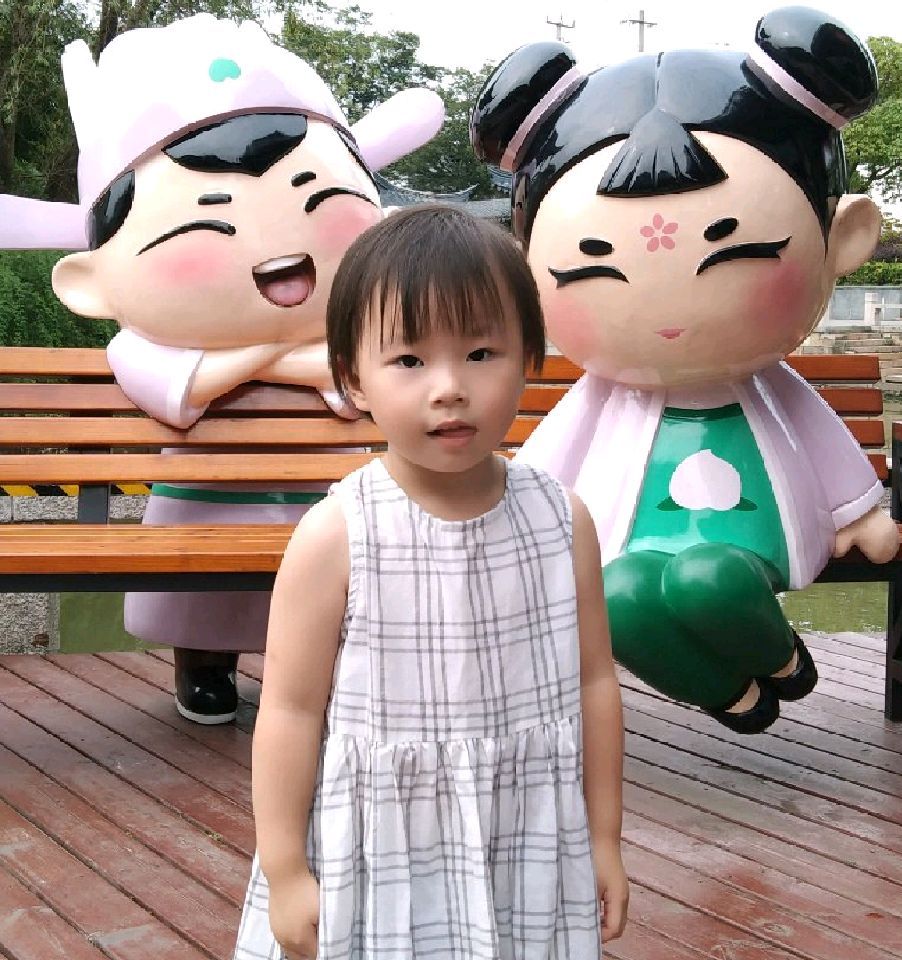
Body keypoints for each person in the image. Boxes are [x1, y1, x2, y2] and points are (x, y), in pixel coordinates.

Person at [0, 14, 443, 724]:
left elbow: (355, 385)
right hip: (202, 503)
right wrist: (279, 355)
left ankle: (322, 673)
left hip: (326, 500)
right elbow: (186, 394)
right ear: (92, 282)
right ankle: (204, 666)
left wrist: (260, 359)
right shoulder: (145, 347)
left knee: (333, 585)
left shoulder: (359, 333)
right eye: (208, 219)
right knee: (206, 596)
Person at [470, 5, 899, 735]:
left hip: (755, 530)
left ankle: (784, 661)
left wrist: (858, 511)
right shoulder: (600, 399)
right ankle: (737, 695)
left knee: (709, 579)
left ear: (843, 238)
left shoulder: (768, 389)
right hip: (628, 534)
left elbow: (818, 435)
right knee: (619, 599)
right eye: (597, 266)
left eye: (729, 258)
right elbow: (550, 463)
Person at [233, 205, 628, 960]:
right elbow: (289, 710)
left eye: (481, 352)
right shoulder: (338, 534)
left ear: (530, 356)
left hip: (527, 844)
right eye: (409, 360)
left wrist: (604, 837)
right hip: (380, 859)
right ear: (353, 377)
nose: (449, 388)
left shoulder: (560, 520)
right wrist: (284, 870)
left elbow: (593, 683)